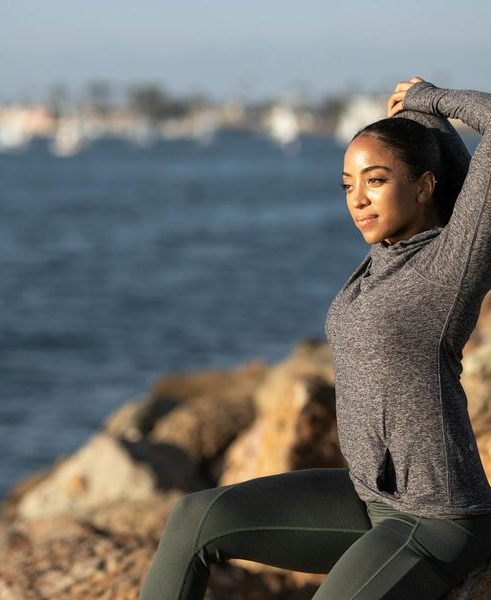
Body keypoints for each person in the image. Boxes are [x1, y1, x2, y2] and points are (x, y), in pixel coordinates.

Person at [137, 76, 491, 600]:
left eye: (375, 180)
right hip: (368, 499)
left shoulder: (448, 266)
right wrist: (422, 121)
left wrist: (430, 99)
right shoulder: (385, 257)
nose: (358, 200)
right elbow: (450, 177)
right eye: (348, 184)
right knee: (194, 517)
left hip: (435, 517)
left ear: (422, 187)